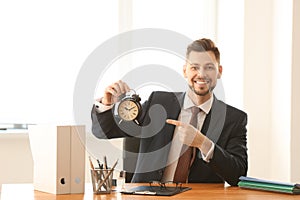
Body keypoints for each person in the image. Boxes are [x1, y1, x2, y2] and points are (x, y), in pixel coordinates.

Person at [91, 38, 248, 186]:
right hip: (147, 195)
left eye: (209, 67)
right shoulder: (158, 102)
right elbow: (105, 132)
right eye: (194, 67)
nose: (201, 74)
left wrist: (203, 143)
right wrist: (107, 103)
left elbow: (238, 175)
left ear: (219, 71)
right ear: (185, 71)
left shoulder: (233, 119)